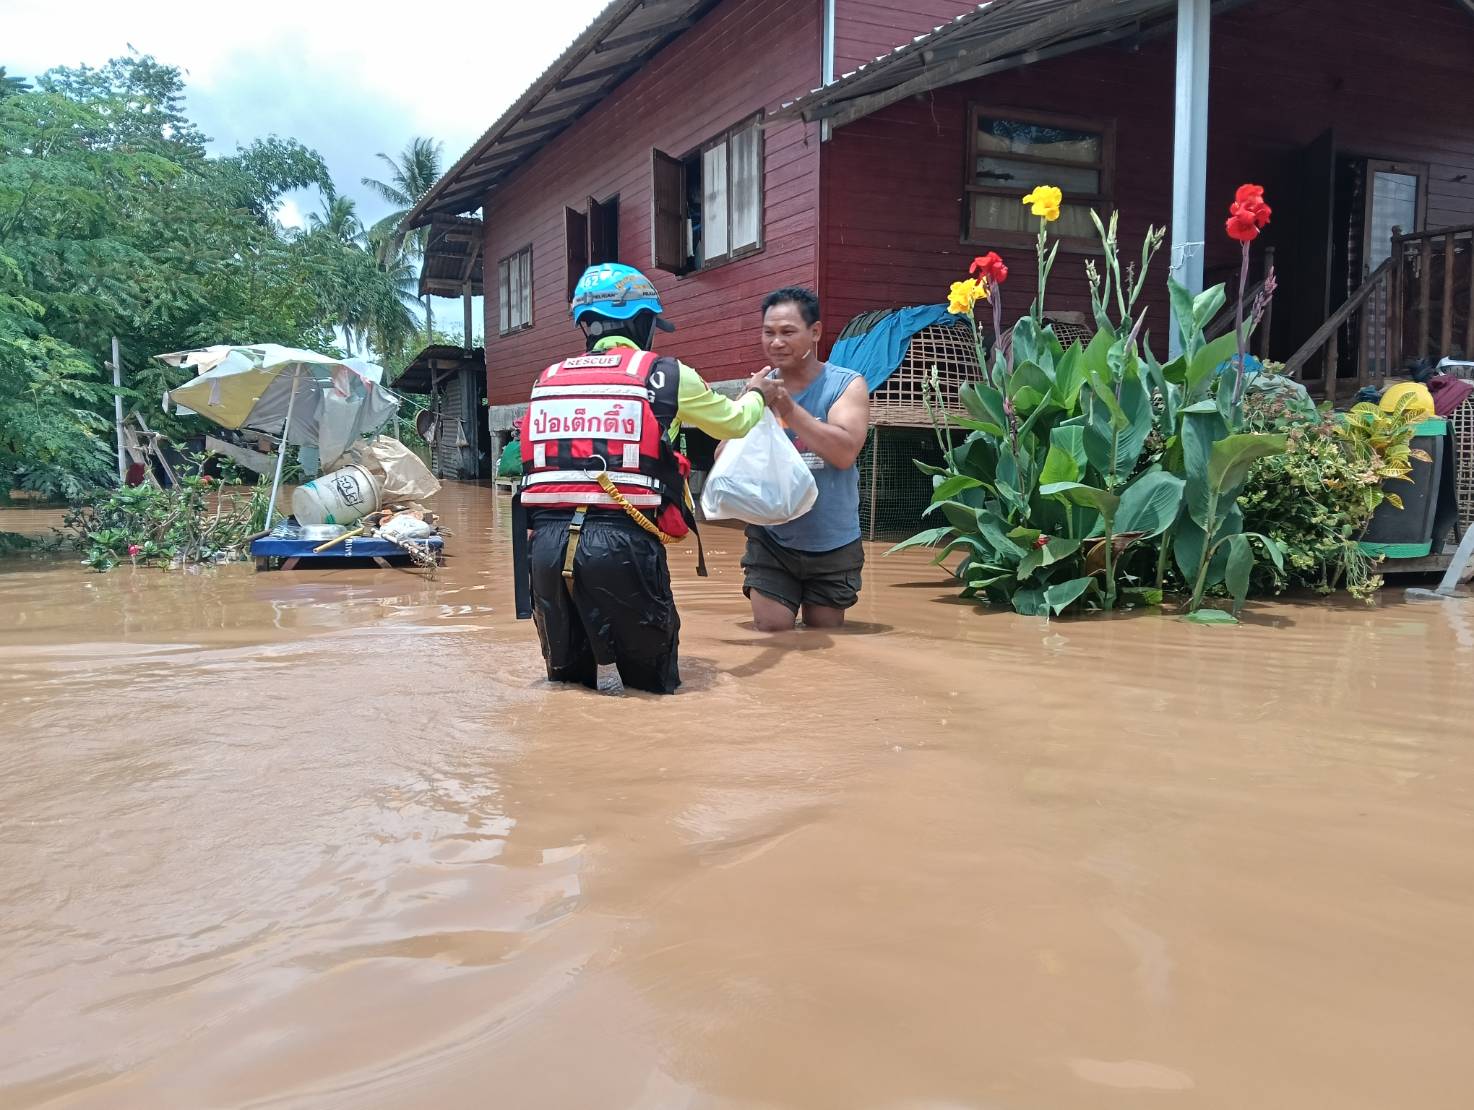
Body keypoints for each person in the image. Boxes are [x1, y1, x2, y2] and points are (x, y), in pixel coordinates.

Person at [519, 262, 778, 694]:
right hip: (622, 545)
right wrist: (757, 394)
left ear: (585, 325)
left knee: (567, 687)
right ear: (642, 323)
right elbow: (735, 423)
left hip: (545, 548)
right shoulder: (665, 375)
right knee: (650, 691)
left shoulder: (547, 381)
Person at [739, 287, 870, 632]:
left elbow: (844, 453)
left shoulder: (847, 385)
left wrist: (786, 408)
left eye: (787, 332)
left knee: (823, 636)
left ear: (815, 332)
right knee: (773, 631)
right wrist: (752, 406)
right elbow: (724, 456)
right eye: (768, 332)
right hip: (772, 538)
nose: (776, 342)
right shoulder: (759, 390)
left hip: (833, 541)